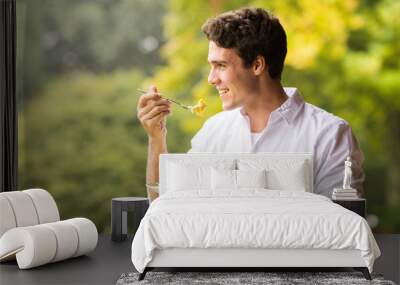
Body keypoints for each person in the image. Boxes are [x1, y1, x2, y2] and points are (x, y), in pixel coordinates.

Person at [137, 7, 364, 202]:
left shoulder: (330, 135)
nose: (211, 79)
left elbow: (341, 226)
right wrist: (157, 137)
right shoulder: (213, 132)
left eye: (221, 66)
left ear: (257, 65)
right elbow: (166, 206)